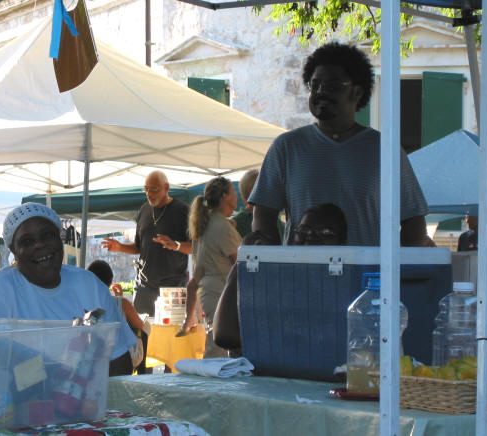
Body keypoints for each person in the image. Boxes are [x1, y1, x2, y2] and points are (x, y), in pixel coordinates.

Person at [248, 42, 429, 247]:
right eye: (315, 85)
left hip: (366, 277)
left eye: (333, 86)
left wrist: (400, 274)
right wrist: (277, 263)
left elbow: (413, 221)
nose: (320, 92)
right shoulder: (287, 147)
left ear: (357, 92)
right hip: (303, 276)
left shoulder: (384, 150)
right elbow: (263, 215)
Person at [0, 203, 138, 376]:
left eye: (47, 236)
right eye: (26, 241)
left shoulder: (90, 286)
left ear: (60, 238)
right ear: (13, 250)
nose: (39, 245)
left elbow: (119, 360)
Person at [213, 203, 348, 353]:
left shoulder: (350, 288)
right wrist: (242, 260)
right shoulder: (275, 281)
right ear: (291, 239)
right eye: (303, 231)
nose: (311, 237)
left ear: (343, 242)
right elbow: (225, 335)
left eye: (325, 232)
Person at [101, 170, 192, 373]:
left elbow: (196, 246)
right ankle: (142, 381)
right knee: (142, 336)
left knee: (171, 340)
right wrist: (120, 248)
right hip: (144, 286)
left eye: (154, 189)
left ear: (166, 188)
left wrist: (175, 245)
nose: (149, 194)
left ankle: (172, 386)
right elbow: (140, 247)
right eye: (146, 190)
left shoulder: (182, 211)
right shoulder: (143, 210)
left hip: (172, 287)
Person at [178, 176, 242, 358]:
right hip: (222, 293)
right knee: (218, 349)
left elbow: (194, 280)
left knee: (216, 348)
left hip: (210, 294)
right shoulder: (222, 227)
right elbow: (240, 265)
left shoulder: (204, 226)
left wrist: (188, 318)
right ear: (224, 196)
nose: (236, 196)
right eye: (232, 192)